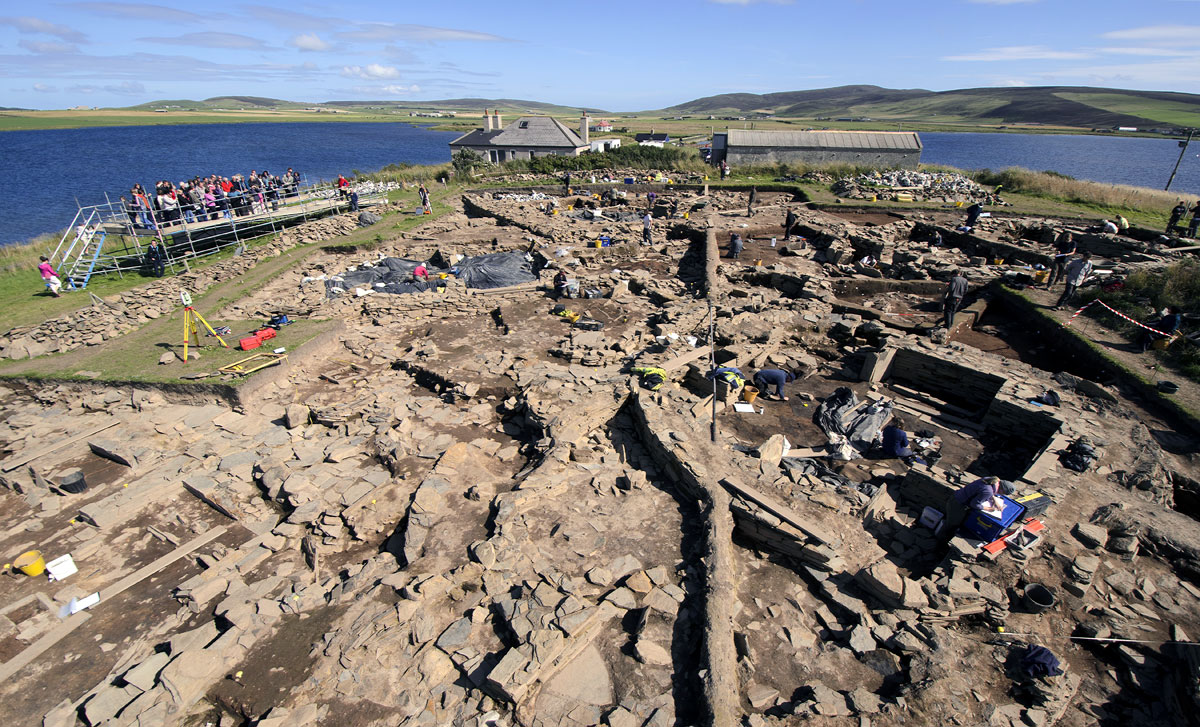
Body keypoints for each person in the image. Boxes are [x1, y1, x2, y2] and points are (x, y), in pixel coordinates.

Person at [942, 476, 1014, 537]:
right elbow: (974, 504)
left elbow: (985, 490)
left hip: (956, 497)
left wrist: (994, 500)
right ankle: (940, 539)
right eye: (1003, 494)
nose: (1001, 495)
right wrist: (989, 509)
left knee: (951, 519)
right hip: (958, 504)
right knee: (952, 524)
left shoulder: (990, 479)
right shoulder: (988, 491)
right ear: (1002, 490)